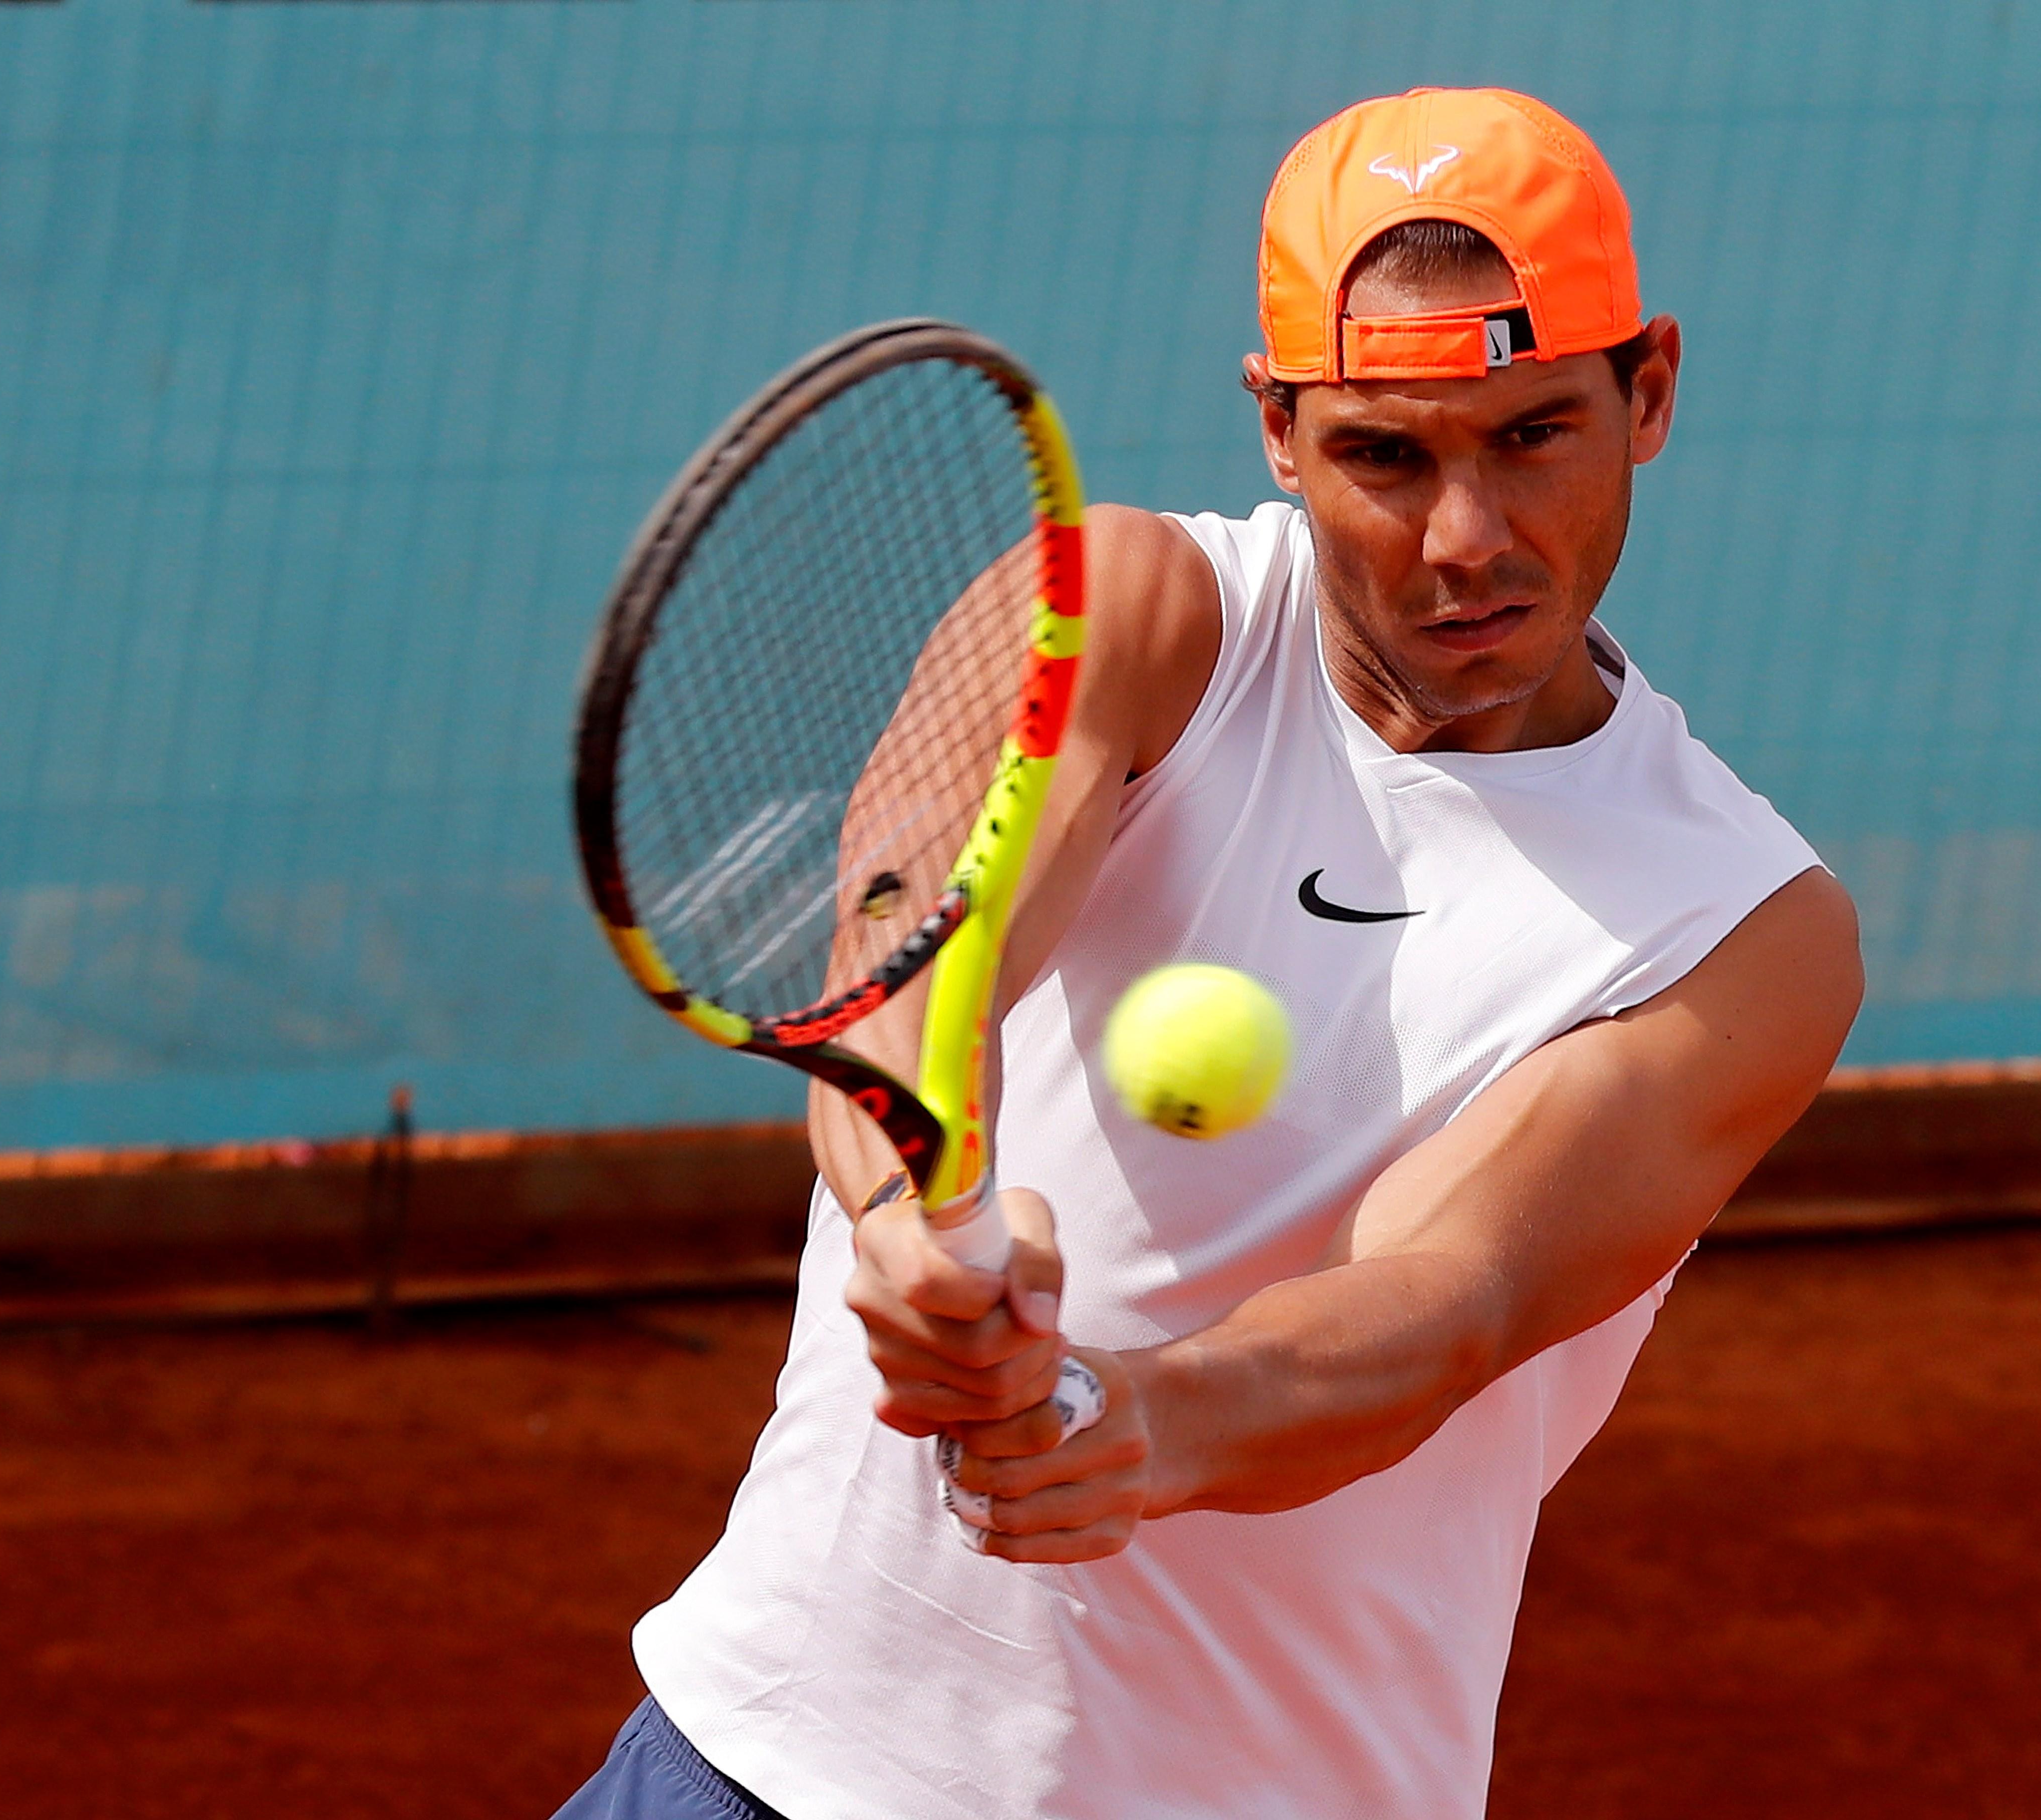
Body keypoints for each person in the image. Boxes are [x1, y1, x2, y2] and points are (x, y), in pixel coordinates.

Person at [558, 86, 1862, 1820]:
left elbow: (1440, 1303)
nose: (1467, 539)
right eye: (1387, 456)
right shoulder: (1125, 618)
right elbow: (905, 983)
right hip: (770, 1756)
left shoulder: (1747, 930)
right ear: (1279, 429)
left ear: (1652, 391)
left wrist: (1135, 1421)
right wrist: (905, 1228)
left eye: (1533, 435)